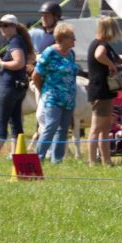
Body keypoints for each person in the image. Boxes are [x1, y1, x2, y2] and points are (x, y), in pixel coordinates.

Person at [0, 14, 35, 159]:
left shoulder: (15, 41)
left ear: (14, 26)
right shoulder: (17, 41)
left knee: (0, 119)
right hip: (17, 86)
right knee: (15, 120)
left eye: (5, 25)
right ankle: (16, 153)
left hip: (9, 87)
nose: (2, 28)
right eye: (0, 25)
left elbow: (19, 62)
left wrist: (0, 63)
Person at [32, 22, 79, 164]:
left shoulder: (71, 54)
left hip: (69, 98)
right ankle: (38, 157)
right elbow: (36, 75)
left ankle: (57, 159)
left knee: (63, 129)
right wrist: (43, 91)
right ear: (62, 38)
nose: (74, 40)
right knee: (51, 125)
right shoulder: (49, 53)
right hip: (52, 96)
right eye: (72, 37)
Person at [86, 16, 122, 167]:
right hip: (101, 91)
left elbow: (114, 56)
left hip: (103, 91)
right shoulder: (101, 45)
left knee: (104, 128)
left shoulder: (100, 44)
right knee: (96, 128)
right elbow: (99, 55)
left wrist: (121, 61)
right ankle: (92, 161)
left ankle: (106, 160)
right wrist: (111, 65)